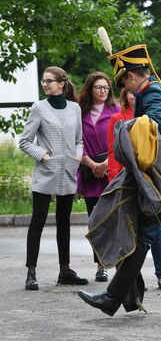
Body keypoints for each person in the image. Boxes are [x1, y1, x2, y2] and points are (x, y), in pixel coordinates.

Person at [78, 43, 161, 316]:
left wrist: (125, 128)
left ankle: (114, 298)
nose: (125, 90)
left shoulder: (151, 91)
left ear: (130, 75)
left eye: (124, 83)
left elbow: (156, 123)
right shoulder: (153, 89)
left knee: (152, 233)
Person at [19, 66, 89, 290]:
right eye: (43, 81)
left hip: (68, 172)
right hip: (46, 172)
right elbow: (25, 141)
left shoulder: (75, 109)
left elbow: (79, 139)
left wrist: (77, 156)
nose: (45, 84)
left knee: (64, 224)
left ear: (62, 84)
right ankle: (31, 272)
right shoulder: (39, 108)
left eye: (49, 81)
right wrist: (43, 155)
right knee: (37, 222)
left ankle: (65, 270)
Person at [107, 87, 161, 290]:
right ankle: (132, 282)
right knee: (129, 229)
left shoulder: (148, 116)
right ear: (125, 95)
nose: (134, 97)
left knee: (156, 229)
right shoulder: (118, 117)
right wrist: (115, 178)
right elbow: (114, 150)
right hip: (128, 177)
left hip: (148, 177)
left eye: (137, 94)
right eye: (131, 94)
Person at [77, 72, 120, 282]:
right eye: (98, 87)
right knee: (95, 222)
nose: (103, 91)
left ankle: (121, 264)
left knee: (115, 221)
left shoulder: (116, 110)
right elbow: (77, 142)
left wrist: (105, 164)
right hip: (90, 173)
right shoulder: (80, 113)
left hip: (111, 173)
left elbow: (121, 141)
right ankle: (100, 265)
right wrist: (91, 163)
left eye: (106, 87)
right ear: (90, 89)